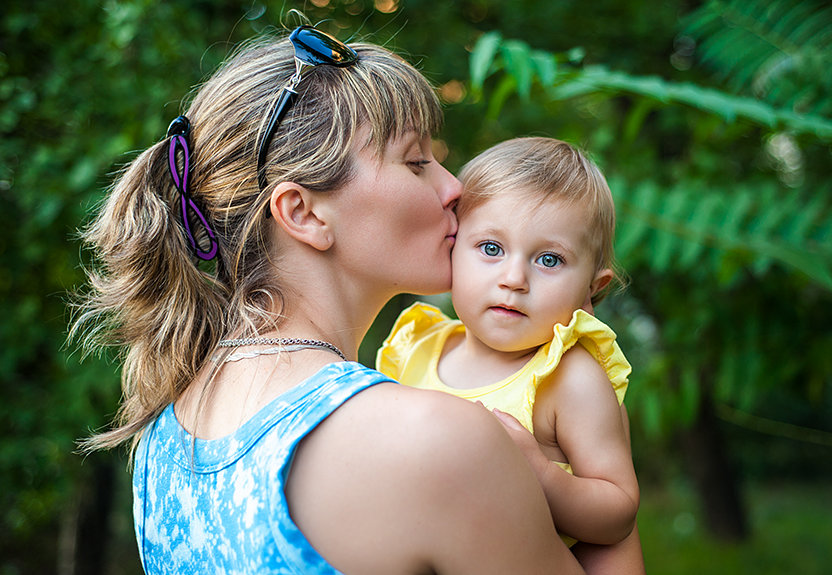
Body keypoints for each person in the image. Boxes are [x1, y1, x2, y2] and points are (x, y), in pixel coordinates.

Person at [71, 24, 587, 574]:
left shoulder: (163, 437)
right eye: (416, 162)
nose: (454, 185)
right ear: (304, 213)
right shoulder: (436, 441)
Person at [377, 137, 644, 572]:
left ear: (593, 289)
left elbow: (618, 514)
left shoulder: (568, 377)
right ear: (452, 248)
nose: (514, 278)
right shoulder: (417, 347)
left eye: (550, 260)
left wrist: (541, 474)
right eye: (491, 249)